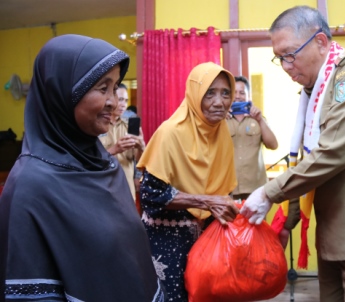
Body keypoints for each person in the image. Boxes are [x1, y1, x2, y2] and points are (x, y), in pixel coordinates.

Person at [240, 6, 345, 302]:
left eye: (290, 54)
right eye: (279, 58)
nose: (285, 66)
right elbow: (308, 159)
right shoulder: (313, 93)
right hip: (334, 236)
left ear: (320, 42)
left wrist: (269, 193)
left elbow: (334, 152)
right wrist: (287, 221)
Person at [0, 34, 165, 302]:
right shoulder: (30, 186)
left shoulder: (105, 166)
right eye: (103, 88)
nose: (113, 102)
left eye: (116, 88)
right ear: (62, 94)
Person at [137, 62, 239, 301]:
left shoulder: (222, 132)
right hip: (167, 241)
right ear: (195, 95)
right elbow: (150, 195)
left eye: (226, 93)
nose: (219, 101)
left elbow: (222, 189)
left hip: (206, 242)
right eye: (209, 93)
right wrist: (205, 201)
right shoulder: (170, 132)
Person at [226, 76, 278, 201]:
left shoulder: (258, 119)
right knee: (230, 221)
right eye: (234, 92)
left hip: (256, 188)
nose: (237, 96)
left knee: (257, 221)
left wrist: (260, 120)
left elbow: (273, 145)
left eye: (242, 92)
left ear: (248, 96)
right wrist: (218, 117)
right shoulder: (221, 120)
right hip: (228, 189)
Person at [99, 83, 145, 201]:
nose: (123, 104)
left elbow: (138, 160)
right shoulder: (97, 126)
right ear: (111, 100)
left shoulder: (129, 126)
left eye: (126, 100)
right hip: (104, 188)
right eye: (120, 100)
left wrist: (141, 147)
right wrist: (114, 149)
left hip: (127, 188)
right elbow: (90, 159)